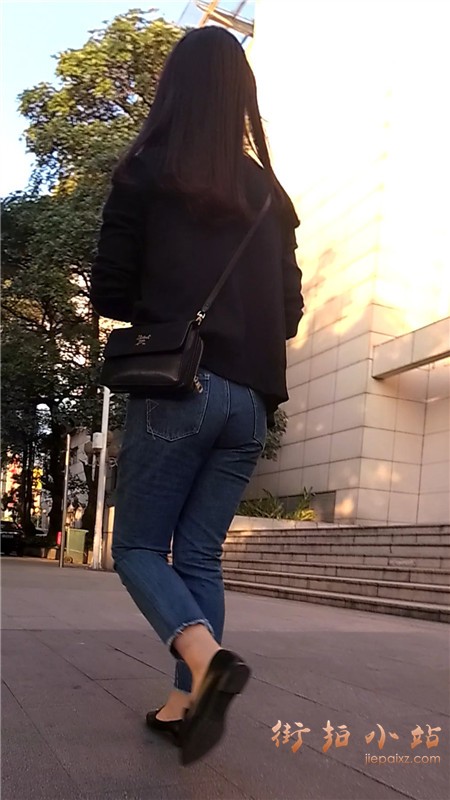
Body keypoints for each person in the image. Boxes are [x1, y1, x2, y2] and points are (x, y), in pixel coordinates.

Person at [90, 25, 304, 766]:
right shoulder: (270, 195)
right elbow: (292, 311)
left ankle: (208, 664)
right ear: (242, 97)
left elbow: (110, 290)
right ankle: (185, 705)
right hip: (252, 404)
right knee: (201, 557)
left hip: (181, 387)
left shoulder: (149, 170)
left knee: (137, 546)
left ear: (173, 89)